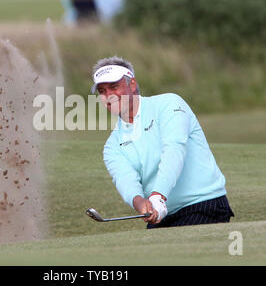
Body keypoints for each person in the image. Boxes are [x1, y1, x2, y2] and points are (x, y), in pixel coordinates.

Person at [90, 56, 235, 228]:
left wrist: (158, 196)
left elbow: (174, 150)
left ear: (132, 84)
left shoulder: (169, 104)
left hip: (203, 205)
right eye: (102, 91)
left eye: (114, 87)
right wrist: (141, 203)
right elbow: (126, 180)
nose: (108, 96)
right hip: (162, 214)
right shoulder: (112, 145)